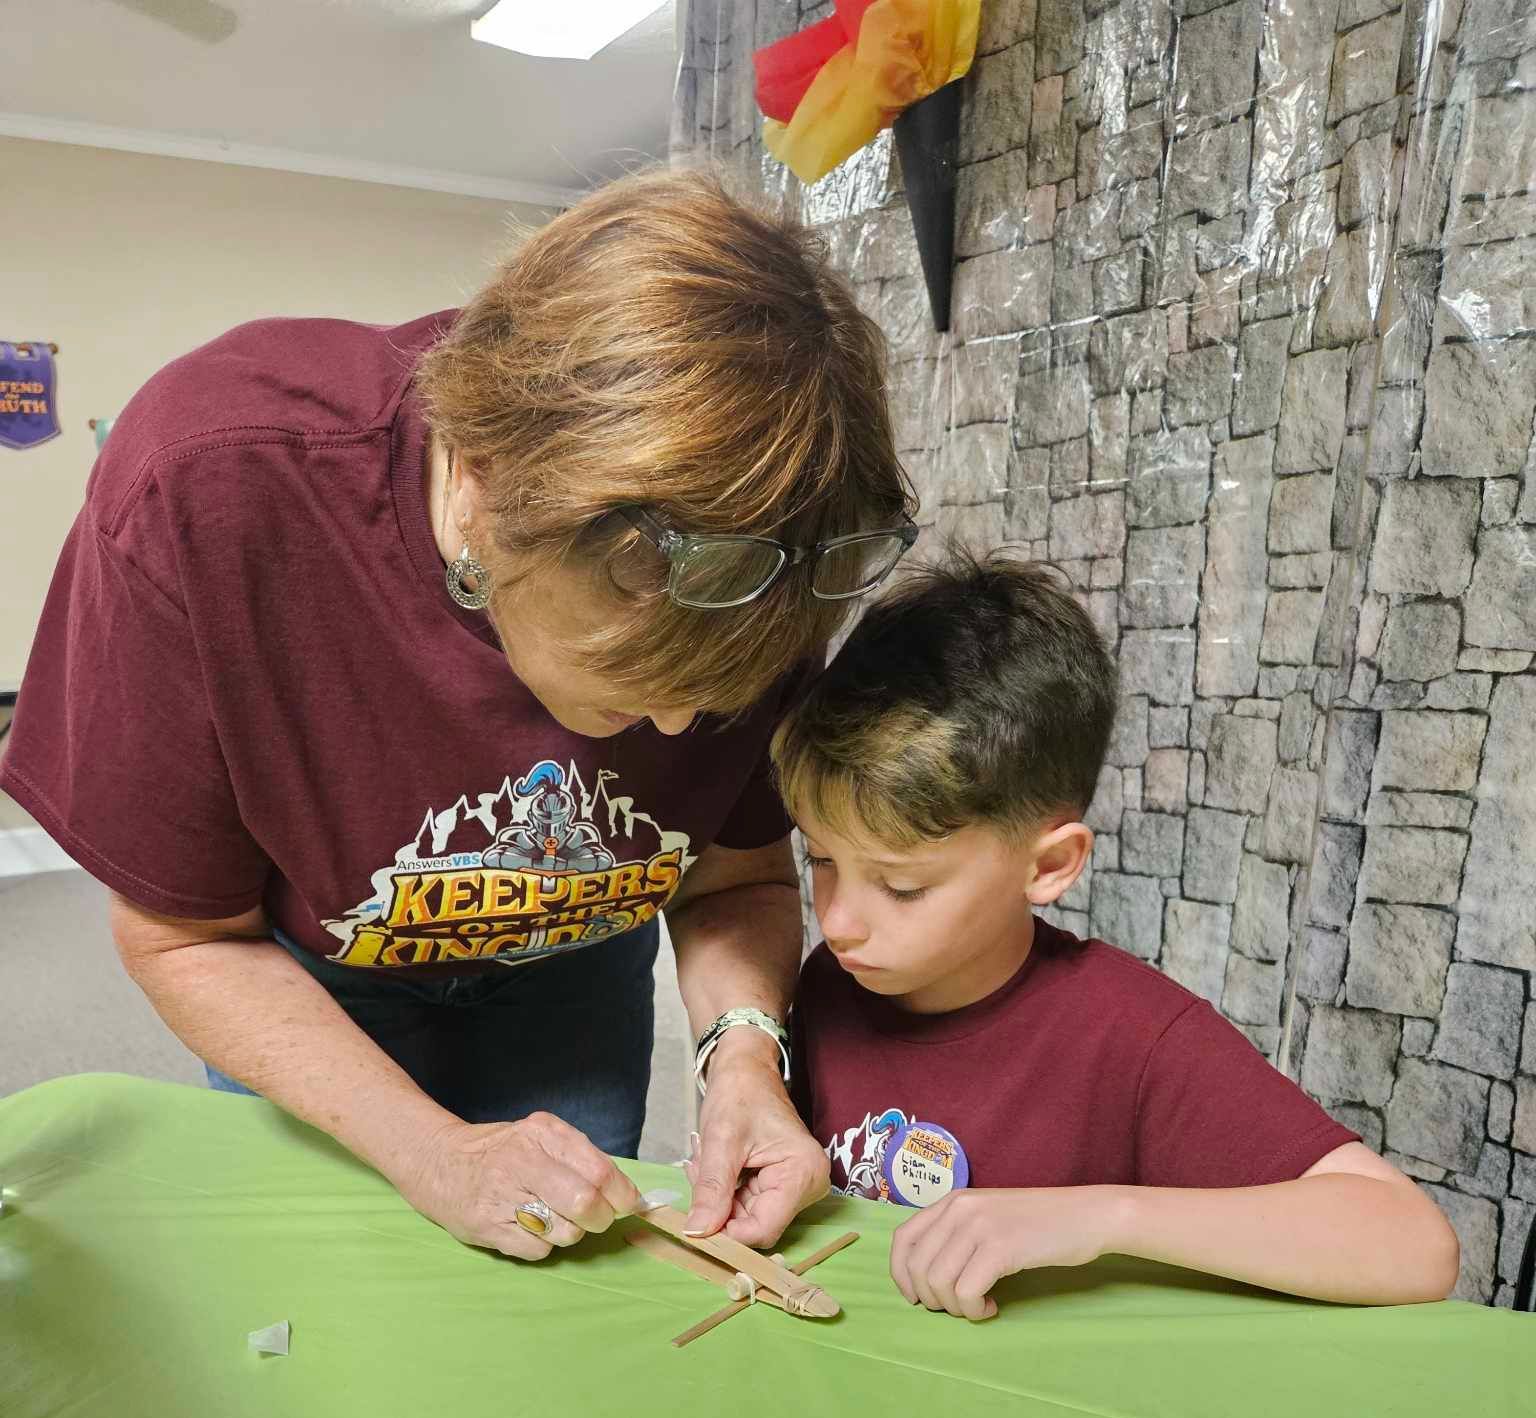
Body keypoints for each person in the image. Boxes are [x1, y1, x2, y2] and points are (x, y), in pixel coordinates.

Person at [2, 171, 917, 1264]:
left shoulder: (772, 549)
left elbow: (736, 874)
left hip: (581, 950)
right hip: (309, 967)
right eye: (627, 684)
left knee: (567, 1271)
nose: (677, 735)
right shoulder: (206, 487)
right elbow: (183, 934)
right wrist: (431, 1150)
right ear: (482, 495)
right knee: (335, 1282)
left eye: (716, 698)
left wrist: (742, 1054)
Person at [771, 553, 1461, 1320]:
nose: (836, 922)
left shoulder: (1132, 1033)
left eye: (903, 886)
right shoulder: (833, 985)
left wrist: (1105, 1216)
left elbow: (1414, 1243)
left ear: (1051, 865)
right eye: (821, 859)